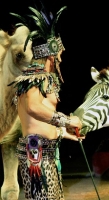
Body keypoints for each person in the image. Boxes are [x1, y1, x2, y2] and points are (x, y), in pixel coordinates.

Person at [8, 3, 83, 200]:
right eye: (59, 53)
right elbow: (33, 108)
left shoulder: (37, 78)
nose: (61, 57)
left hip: (43, 150)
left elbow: (38, 122)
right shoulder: (37, 78)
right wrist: (67, 121)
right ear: (51, 54)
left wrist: (63, 133)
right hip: (37, 154)